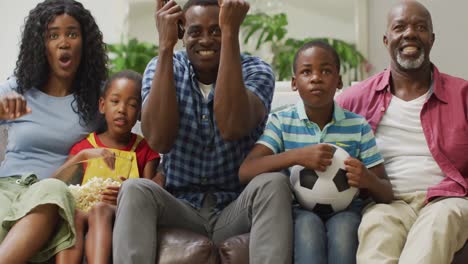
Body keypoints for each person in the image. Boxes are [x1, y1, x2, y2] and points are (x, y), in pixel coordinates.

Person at [112, 0, 293, 263]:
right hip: (181, 205)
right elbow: (160, 140)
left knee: (274, 183)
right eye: (196, 31)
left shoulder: (256, 71)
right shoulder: (164, 67)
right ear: (182, 33)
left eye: (216, 30)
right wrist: (165, 46)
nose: (206, 40)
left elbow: (232, 127)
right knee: (134, 189)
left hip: (236, 205)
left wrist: (229, 32)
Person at [335, 1, 468, 263]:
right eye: (400, 27)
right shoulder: (354, 99)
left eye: (420, 27)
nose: (409, 33)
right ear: (387, 40)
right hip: (387, 202)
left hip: (447, 199)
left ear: (431, 39)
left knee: (438, 225)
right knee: (376, 230)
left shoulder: (462, 95)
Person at [239, 40, 393, 264]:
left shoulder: (358, 126)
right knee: (307, 229)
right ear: (294, 82)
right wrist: (297, 156)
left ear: (339, 81)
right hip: (299, 210)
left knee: (344, 231)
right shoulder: (281, 121)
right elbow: (246, 170)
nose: (316, 78)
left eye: (326, 71)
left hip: (346, 210)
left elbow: (386, 192)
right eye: (306, 71)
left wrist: (367, 179)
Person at [0, 0, 107, 263]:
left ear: (84, 43)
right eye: (53, 35)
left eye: (72, 33)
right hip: (8, 187)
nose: (63, 42)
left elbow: (122, 140)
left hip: (56, 195)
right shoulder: (17, 89)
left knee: (53, 190)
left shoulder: (99, 98)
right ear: (40, 45)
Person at [54, 70, 161, 264]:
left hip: (119, 212)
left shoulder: (145, 149)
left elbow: (149, 193)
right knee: (73, 215)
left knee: (100, 210)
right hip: (84, 211)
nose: (122, 109)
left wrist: (126, 193)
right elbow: (55, 184)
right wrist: (82, 155)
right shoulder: (85, 147)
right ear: (102, 105)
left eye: (132, 105)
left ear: (139, 113)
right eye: (115, 101)